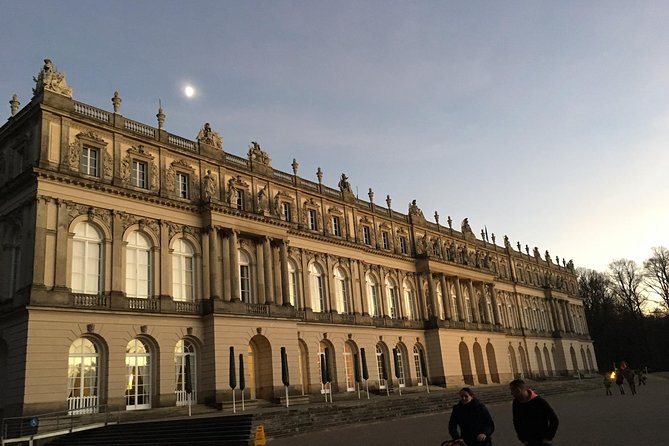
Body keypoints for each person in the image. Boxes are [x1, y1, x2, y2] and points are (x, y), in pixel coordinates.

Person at [510, 379, 559, 446]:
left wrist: (549, 437)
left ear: (518, 390)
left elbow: (554, 419)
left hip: (543, 441)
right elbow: (516, 421)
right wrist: (522, 438)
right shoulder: (516, 403)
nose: (511, 393)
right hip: (529, 441)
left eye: (512, 390)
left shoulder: (539, 402)